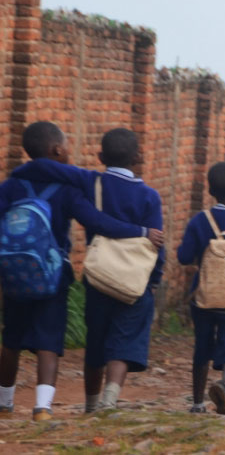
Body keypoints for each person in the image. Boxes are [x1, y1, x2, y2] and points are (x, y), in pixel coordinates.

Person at [0, 122, 163, 421]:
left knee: (13, 339)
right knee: (51, 341)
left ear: (101, 157)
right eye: (66, 145)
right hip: (65, 274)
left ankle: (6, 402)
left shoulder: (14, 185)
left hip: (22, 274)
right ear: (57, 149)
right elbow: (100, 222)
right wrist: (143, 238)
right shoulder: (73, 190)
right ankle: (45, 407)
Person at [177, 162, 225, 415]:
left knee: (202, 345)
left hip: (204, 296)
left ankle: (198, 402)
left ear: (210, 191)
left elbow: (183, 256)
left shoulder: (200, 221)